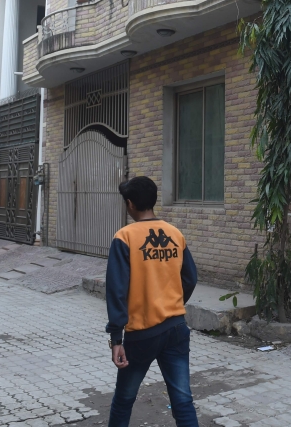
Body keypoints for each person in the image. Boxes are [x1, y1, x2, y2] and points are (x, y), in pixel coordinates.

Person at [105, 176, 199, 427]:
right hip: (176, 329)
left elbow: (116, 290)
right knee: (183, 401)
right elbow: (190, 278)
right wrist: (172, 302)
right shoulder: (175, 233)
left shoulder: (124, 237)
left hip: (141, 335)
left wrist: (116, 339)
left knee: (124, 400)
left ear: (130, 203)